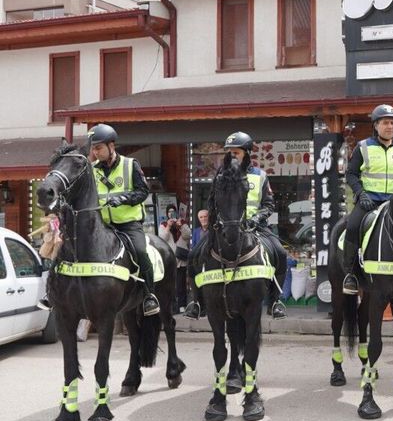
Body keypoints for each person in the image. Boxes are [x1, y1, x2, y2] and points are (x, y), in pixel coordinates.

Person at [38, 124, 160, 315]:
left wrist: (121, 199)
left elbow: (143, 191)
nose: (95, 152)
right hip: (99, 224)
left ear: (111, 146)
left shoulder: (130, 165)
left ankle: (149, 296)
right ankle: (52, 293)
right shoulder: (90, 169)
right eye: (93, 148)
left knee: (140, 251)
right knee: (65, 249)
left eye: (99, 148)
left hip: (127, 224)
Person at [185, 132, 287, 320]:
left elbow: (269, 205)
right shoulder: (220, 175)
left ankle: (275, 301)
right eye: (230, 153)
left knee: (280, 252)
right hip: (225, 228)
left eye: (236, 153)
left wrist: (256, 219)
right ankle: (196, 301)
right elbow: (212, 203)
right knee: (194, 254)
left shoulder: (260, 175)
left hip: (254, 227)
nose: (232, 156)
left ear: (247, 154)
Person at [342, 104, 393, 295]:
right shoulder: (363, 147)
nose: (390, 127)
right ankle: (350, 274)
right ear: (376, 125)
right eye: (386, 123)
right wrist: (361, 194)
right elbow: (351, 174)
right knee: (352, 227)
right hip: (369, 202)